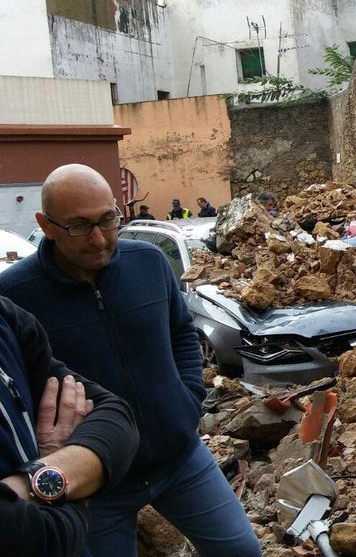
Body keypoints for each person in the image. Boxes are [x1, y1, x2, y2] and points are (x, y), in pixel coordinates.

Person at [0, 164, 261, 557]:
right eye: (79, 225)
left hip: (179, 458)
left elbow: (182, 336)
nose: (99, 238)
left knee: (242, 551)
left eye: (108, 220)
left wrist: (186, 403)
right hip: (96, 484)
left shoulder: (150, 263)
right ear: (46, 225)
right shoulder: (16, 295)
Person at [1, 296, 139, 557]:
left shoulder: (6, 318)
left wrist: (42, 475)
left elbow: (113, 414)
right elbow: (32, 539)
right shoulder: (21, 287)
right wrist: (72, 487)